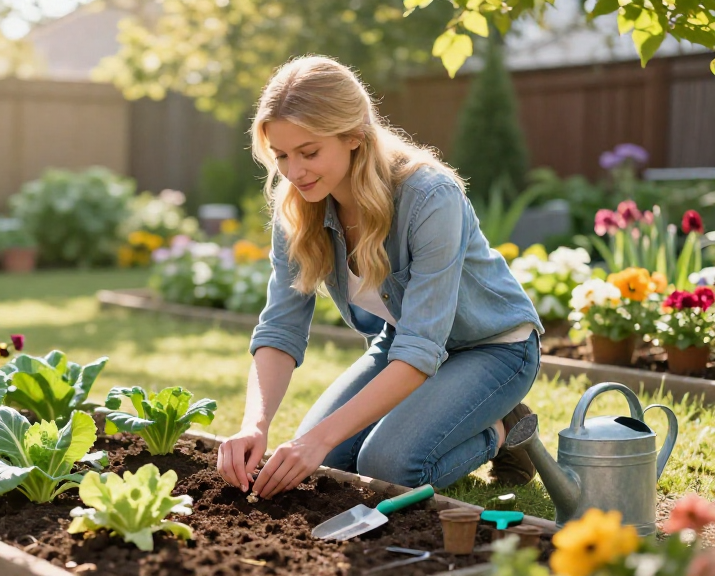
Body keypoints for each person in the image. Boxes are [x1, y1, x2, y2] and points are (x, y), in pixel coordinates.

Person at [215, 55, 544, 499]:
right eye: (282, 156)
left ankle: (501, 430)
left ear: (354, 135)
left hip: (493, 348)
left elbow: (423, 346)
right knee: (328, 466)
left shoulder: (430, 197)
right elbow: (281, 325)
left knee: (385, 467)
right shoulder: (297, 206)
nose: (294, 173)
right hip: (401, 344)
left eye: (309, 152)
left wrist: (317, 438)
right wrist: (254, 424)